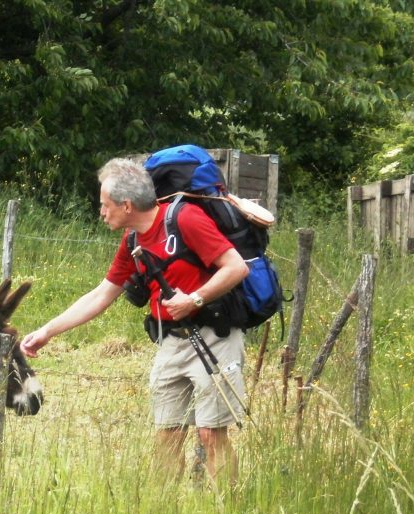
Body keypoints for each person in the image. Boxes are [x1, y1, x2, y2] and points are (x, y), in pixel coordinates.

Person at [20, 157, 249, 483]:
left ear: (126, 205)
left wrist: (195, 298)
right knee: (168, 435)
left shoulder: (186, 220)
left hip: (215, 337)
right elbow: (101, 295)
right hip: (171, 341)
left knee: (211, 434)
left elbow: (236, 267)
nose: (101, 211)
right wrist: (47, 331)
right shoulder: (132, 241)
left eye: (104, 204)